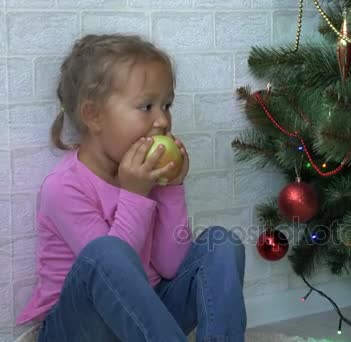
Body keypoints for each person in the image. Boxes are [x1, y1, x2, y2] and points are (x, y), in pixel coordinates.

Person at [15, 34, 246, 342]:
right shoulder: (64, 188)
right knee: (105, 252)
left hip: (144, 320)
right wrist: (135, 194)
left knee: (221, 242)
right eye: (146, 106)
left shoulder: (146, 175)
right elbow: (116, 271)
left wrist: (170, 187)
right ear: (94, 115)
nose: (163, 120)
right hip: (80, 329)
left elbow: (170, 265)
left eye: (166, 105)